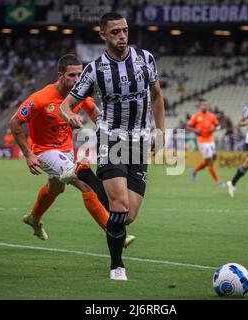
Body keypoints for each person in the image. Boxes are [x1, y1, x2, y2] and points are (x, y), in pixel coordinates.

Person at [58, 12, 165, 281]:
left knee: (128, 215)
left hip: (139, 141)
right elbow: (65, 104)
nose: (122, 36)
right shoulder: (94, 70)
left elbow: (157, 95)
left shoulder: (145, 59)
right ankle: (117, 266)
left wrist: (161, 131)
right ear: (103, 35)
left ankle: (85, 176)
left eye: (125, 31)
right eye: (115, 32)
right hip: (111, 138)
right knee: (118, 205)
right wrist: (68, 115)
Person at [9, 54, 135, 246]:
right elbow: (15, 122)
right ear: (60, 75)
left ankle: (34, 218)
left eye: (80, 75)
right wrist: (28, 154)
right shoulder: (40, 99)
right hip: (44, 151)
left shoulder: (79, 94)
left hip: (66, 149)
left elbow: (93, 111)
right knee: (85, 183)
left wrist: (109, 133)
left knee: (56, 188)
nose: (77, 80)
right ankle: (115, 233)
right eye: (72, 76)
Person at [186, 98, 225, 187]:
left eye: (206, 104)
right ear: (200, 106)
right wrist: (196, 130)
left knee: (213, 158)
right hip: (202, 141)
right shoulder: (196, 116)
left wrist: (214, 129)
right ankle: (217, 182)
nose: (204, 106)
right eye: (202, 104)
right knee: (210, 161)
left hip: (210, 140)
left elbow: (218, 126)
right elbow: (188, 127)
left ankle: (194, 171)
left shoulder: (212, 116)